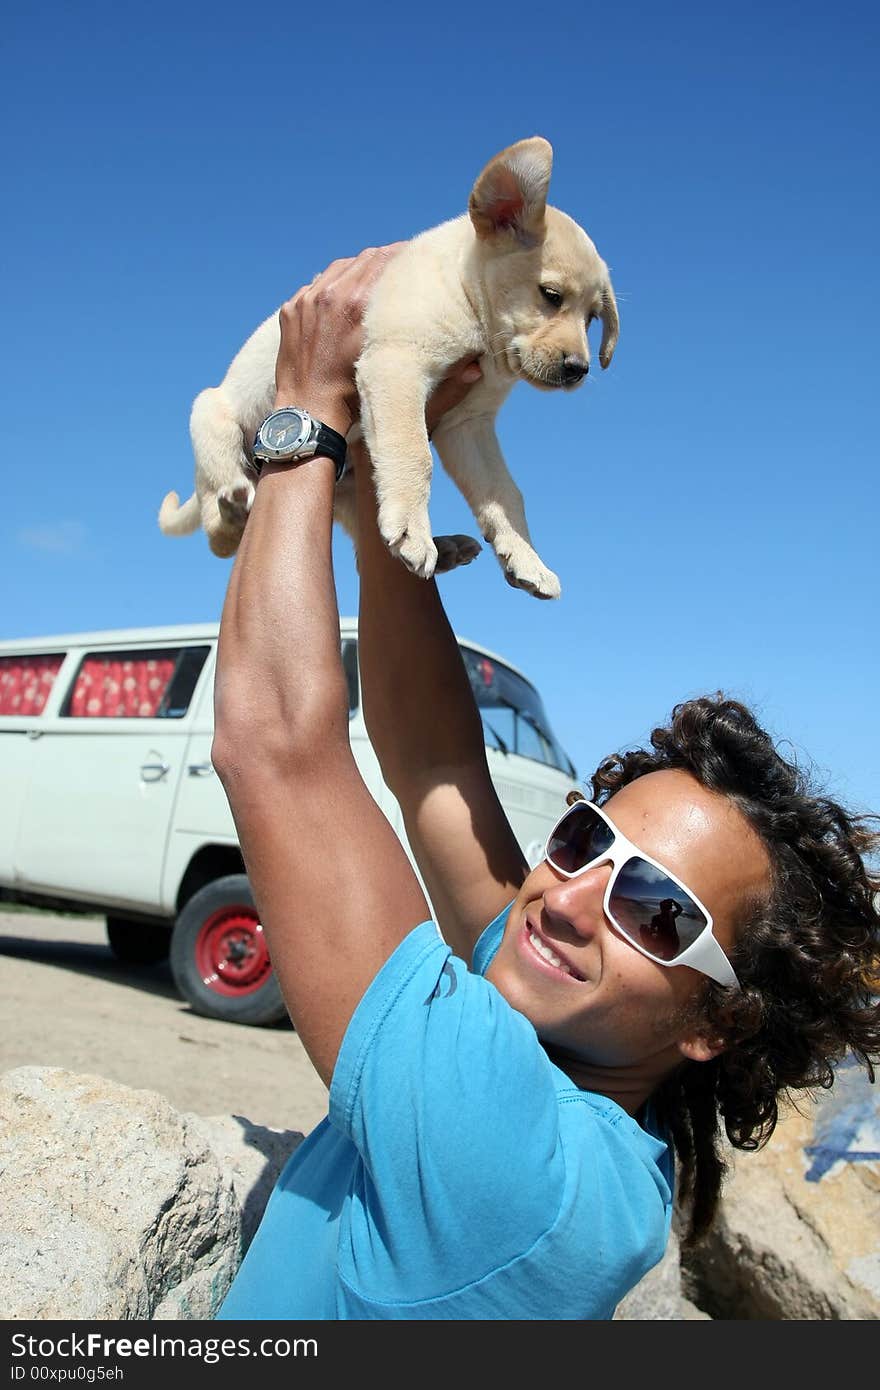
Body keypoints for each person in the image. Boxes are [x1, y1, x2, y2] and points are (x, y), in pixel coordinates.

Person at [210, 247, 880, 1321]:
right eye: (581, 841)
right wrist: (391, 487)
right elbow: (433, 760)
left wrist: (304, 413)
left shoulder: (517, 1167)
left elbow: (272, 744)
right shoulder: (587, 1078)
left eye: (655, 908)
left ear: (716, 1021)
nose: (566, 897)